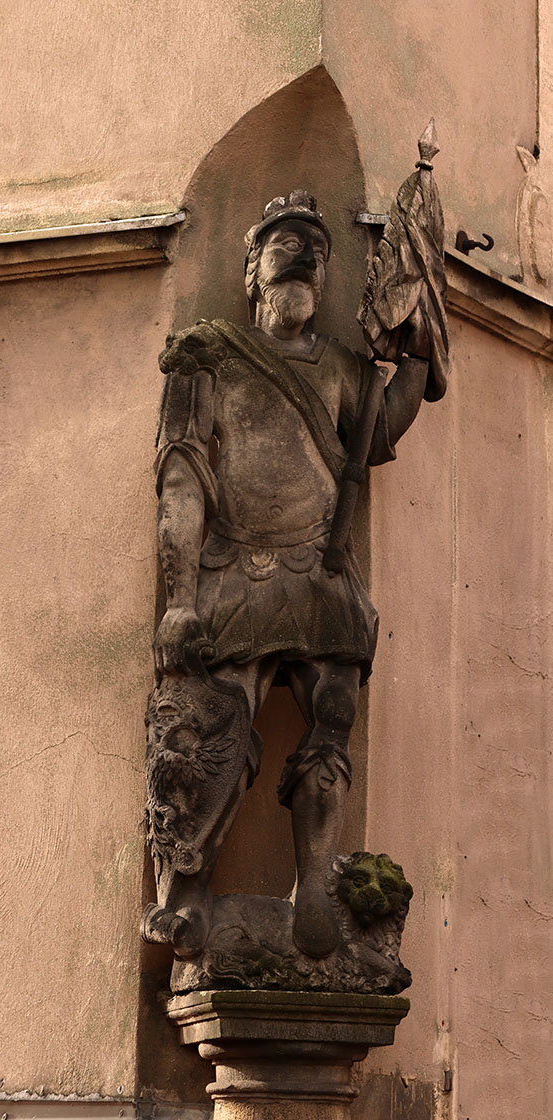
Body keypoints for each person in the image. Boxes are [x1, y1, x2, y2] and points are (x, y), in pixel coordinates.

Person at [143, 189, 438, 960]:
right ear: (253, 269)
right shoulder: (208, 354)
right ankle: (186, 888)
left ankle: (314, 884)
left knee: (332, 719)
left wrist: (414, 356)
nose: (303, 256)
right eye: (285, 244)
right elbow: (182, 476)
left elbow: (378, 430)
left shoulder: (340, 365)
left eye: (315, 248)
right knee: (208, 731)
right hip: (234, 569)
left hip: (319, 571)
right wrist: (179, 600)